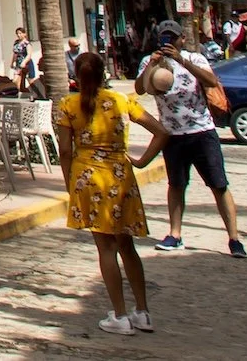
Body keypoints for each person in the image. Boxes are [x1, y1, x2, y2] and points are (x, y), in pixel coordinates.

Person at [56, 50, 166, 335]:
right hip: (120, 175)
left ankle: (119, 315)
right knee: (126, 246)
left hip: (88, 177)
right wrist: (141, 161)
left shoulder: (68, 105)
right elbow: (161, 131)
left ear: (76, 77)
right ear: (104, 73)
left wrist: (70, 182)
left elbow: (66, 150)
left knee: (106, 249)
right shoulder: (121, 100)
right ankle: (143, 311)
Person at [139, 22, 246, 257]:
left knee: (218, 184)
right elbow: (140, 89)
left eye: (173, 37)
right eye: (164, 37)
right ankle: (175, 234)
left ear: (182, 39)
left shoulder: (195, 59)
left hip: (202, 131)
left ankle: (234, 238)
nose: (169, 41)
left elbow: (211, 81)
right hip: (172, 134)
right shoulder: (151, 61)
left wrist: (181, 60)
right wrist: (152, 66)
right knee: (176, 185)